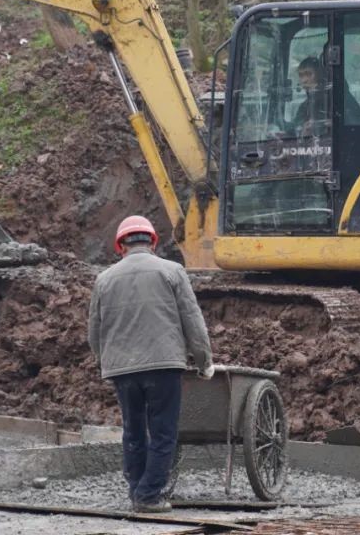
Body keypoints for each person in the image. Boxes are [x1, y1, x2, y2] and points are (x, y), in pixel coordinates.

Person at [88, 215, 214, 513]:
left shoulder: (104, 279)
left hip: (122, 370)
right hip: (163, 365)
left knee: (133, 430)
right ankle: (147, 495)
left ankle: (137, 490)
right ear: (153, 243)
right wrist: (204, 361)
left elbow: (95, 330)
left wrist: (104, 361)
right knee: (163, 432)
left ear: (121, 246)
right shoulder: (172, 271)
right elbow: (192, 320)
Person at [290, 56, 328, 135]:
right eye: (301, 75)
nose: (304, 80)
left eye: (309, 74)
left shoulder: (333, 101)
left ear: (319, 75)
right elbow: (296, 127)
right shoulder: (305, 105)